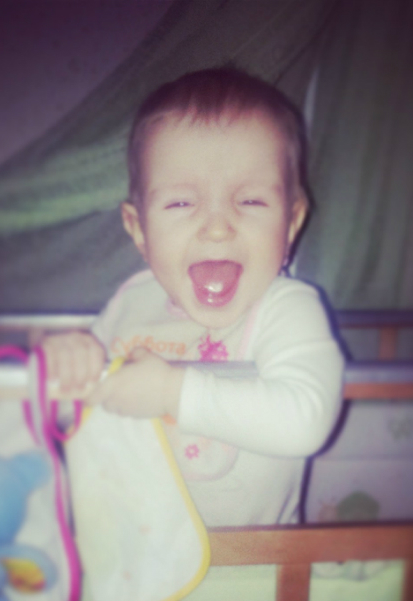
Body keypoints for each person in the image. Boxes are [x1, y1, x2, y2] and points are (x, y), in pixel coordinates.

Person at [42, 68, 344, 526]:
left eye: (251, 201)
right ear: (139, 228)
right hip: (125, 558)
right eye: (181, 203)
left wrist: (172, 392)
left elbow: (306, 420)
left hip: (246, 565)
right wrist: (68, 367)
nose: (217, 227)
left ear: (291, 222)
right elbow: (69, 414)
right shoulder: (132, 303)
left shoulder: (288, 309)